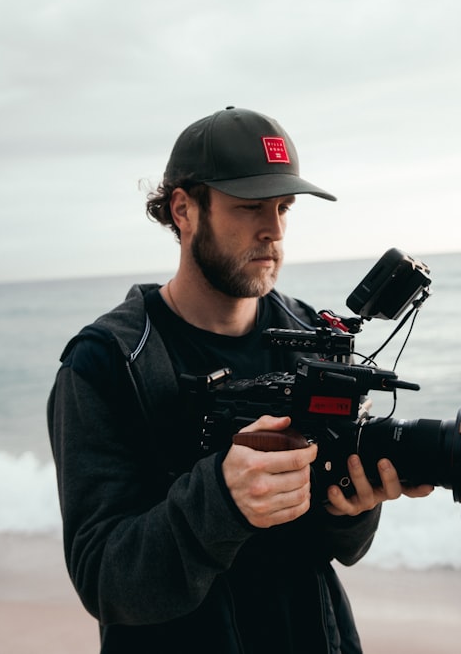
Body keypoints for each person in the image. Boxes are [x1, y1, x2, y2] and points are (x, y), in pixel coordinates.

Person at [47, 106, 433, 653]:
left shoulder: (315, 341)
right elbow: (105, 580)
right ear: (183, 209)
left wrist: (355, 506)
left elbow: (338, 545)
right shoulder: (109, 362)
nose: (272, 230)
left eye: (283, 208)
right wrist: (222, 503)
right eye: (250, 206)